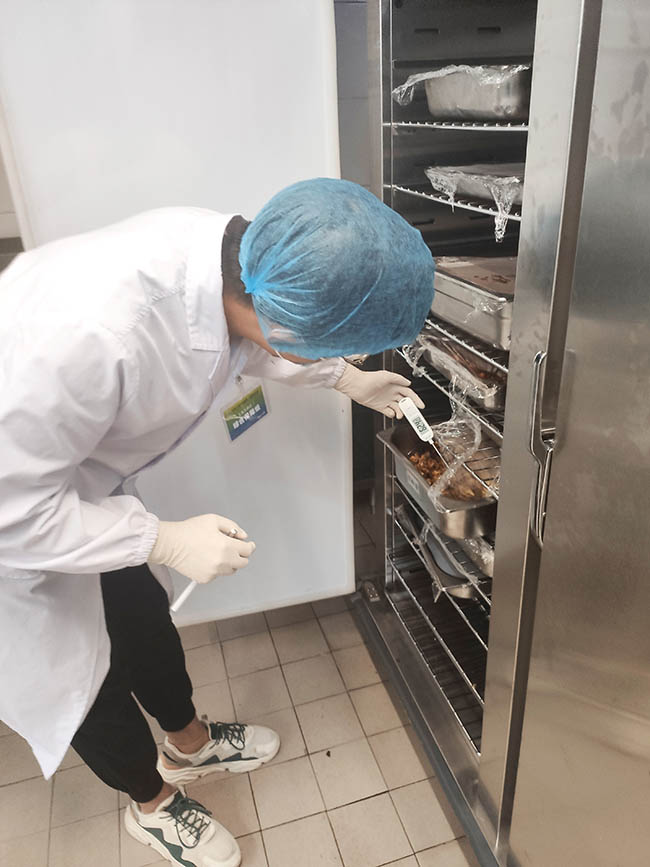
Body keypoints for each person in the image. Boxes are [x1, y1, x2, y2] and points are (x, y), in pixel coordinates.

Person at [0, 178, 435, 867]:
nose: (327, 356)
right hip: (14, 528)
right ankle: (152, 804)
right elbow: (11, 516)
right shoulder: (93, 335)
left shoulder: (232, 253)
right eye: (330, 347)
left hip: (72, 485)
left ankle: (190, 744)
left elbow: (250, 333)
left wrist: (344, 379)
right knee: (80, 674)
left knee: (140, 616)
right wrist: (161, 537)